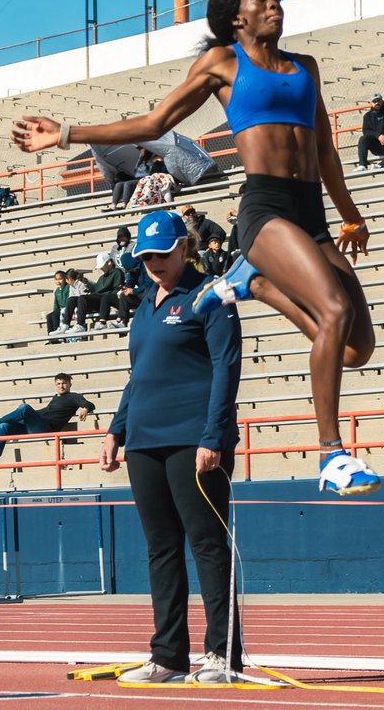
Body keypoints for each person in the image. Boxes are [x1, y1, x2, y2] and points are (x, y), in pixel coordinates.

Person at [12, 0, 379, 497]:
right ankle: (332, 455)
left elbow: (325, 150)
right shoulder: (224, 63)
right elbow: (156, 122)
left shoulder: (307, 68)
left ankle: (254, 286)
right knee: (335, 312)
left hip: (311, 213)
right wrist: (68, 134)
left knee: (354, 347)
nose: (275, 5)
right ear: (238, 17)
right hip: (265, 209)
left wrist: (350, 216)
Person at [100, 210, 243, 685]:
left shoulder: (211, 294)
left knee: (206, 545)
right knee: (161, 549)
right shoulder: (144, 304)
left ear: (185, 246)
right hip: (144, 440)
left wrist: (212, 435)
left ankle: (222, 655)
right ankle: (168, 656)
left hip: (193, 439)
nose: (154, 263)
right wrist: (116, 429)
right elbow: (138, 374)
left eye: (162, 253)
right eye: (145, 257)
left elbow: (227, 367)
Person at [0, 373, 95, 464]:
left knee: (24, 407)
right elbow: (46, 412)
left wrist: (85, 409)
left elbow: (90, 404)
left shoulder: (74, 397)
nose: (61, 386)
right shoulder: (56, 398)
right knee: (4, 427)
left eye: (64, 383)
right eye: (58, 384)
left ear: (70, 384)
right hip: (34, 426)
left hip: (46, 429)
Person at [115, 251, 151, 329]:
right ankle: (123, 321)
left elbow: (150, 283)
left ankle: (147, 318)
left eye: (135, 269)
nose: (134, 271)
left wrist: (134, 291)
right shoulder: (132, 271)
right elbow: (129, 283)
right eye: (132, 270)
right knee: (123, 295)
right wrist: (124, 289)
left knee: (147, 290)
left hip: (150, 294)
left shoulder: (146, 266)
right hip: (140, 295)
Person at [89, 252, 125, 329]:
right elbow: (96, 290)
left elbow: (117, 289)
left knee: (105, 297)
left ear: (109, 263)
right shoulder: (101, 277)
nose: (101, 268)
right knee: (82, 298)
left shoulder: (117, 272)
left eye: (102, 266)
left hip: (113, 298)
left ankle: (102, 321)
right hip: (102, 298)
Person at [45, 270, 70, 335]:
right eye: (56, 279)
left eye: (60, 279)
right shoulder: (57, 291)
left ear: (65, 279)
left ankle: (57, 334)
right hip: (60, 309)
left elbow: (69, 300)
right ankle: (50, 337)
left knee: (55, 315)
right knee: (49, 316)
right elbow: (56, 304)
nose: (58, 281)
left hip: (67, 308)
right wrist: (55, 310)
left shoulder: (68, 287)